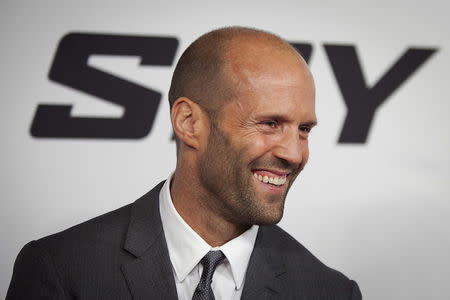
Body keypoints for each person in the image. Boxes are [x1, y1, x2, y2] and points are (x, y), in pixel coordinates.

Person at [7, 26, 362, 299]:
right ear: (189, 122)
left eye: (303, 130)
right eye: (270, 124)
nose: (294, 153)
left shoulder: (329, 291)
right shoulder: (61, 268)